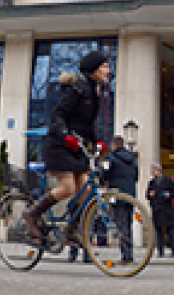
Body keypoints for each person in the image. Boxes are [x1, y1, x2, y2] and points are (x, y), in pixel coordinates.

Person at [23, 51, 110, 246]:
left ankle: (72, 230)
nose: (108, 71)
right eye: (105, 67)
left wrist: (97, 141)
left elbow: (87, 124)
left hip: (76, 146)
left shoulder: (96, 91)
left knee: (85, 189)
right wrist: (65, 135)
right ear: (94, 69)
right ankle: (32, 213)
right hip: (59, 144)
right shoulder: (76, 88)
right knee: (68, 187)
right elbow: (58, 115)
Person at [103, 135, 138, 263]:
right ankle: (130, 254)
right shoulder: (132, 159)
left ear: (114, 145)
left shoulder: (111, 158)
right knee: (128, 226)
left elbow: (105, 175)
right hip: (130, 196)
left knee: (121, 225)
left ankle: (126, 256)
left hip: (117, 195)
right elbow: (136, 176)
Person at [147, 163, 174, 257]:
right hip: (157, 209)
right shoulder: (151, 182)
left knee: (170, 230)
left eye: (153, 170)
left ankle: (173, 250)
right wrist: (150, 195)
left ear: (158, 170)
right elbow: (147, 195)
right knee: (159, 231)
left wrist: (169, 195)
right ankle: (160, 251)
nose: (152, 172)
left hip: (167, 208)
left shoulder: (168, 181)